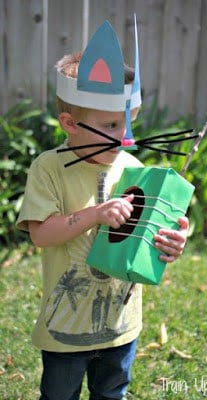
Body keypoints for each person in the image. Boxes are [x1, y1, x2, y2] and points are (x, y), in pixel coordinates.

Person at [16, 20, 189, 400]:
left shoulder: (134, 168)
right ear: (69, 123)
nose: (126, 136)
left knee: (112, 393)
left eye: (129, 123)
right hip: (67, 328)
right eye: (111, 124)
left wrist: (173, 239)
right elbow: (41, 234)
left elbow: (148, 236)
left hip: (121, 325)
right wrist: (94, 215)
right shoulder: (49, 167)